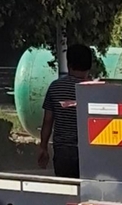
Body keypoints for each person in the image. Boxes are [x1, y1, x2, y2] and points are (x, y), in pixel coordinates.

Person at [38, 41, 99, 179]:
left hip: (63, 152)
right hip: (90, 151)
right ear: (89, 66)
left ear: (69, 64)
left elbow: (47, 121)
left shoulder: (55, 87)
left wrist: (43, 147)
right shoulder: (95, 90)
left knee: (67, 191)